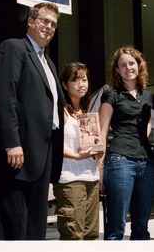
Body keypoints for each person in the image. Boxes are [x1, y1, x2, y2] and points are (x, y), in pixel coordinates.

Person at [0, 2, 64, 240]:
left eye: (53, 24)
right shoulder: (13, 48)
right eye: (44, 21)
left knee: (34, 226)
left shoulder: (49, 63)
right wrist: (11, 142)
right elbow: (3, 96)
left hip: (43, 156)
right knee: (14, 226)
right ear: (30, 21)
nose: (49, 27)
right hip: (18, 154)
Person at [99, 46, 154, 240]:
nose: (128, 68)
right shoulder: (111, 94)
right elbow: (102, 130)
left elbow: (148, 124)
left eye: (131, 63)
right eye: (122, 65)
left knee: (141, 227)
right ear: (117, 70)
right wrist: (100, 168)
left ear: (139, 66)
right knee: (116, 227)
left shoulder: (147, 95)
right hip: (120, 160)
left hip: (147, 163)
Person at [53, 62, 102, 240]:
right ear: (65, 85)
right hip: (69, 179)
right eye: (75, 80)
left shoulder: (88, 111)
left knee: (91, 235)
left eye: (84, 79)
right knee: (73, 235)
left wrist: (98, 149)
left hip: (92, 177)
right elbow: (52, 145)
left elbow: (93, 146)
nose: (81, 84)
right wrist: (76, 155)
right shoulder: (59, 111)